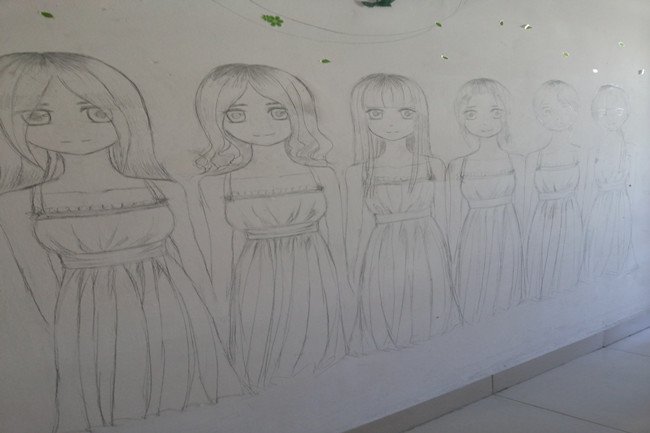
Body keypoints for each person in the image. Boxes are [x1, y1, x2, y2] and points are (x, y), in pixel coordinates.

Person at [0, 52, 232, 433]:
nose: (72, 128)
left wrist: (212, 323)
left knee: (181, 394)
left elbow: (195, 265)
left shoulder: (164, 189)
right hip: (86, 316)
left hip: (173, 302)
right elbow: (38, 286)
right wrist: (66, 342)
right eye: (38, 116)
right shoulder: (19, 202)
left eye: (94, 112)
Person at [194, 64, 348, 391]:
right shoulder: (216, 183)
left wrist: (344, 287)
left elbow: (339, 238)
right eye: (237, 115)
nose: (260, 125)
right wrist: (219, 305)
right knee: (264, 348)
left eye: (277, 111)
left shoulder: (322, 173)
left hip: (315, 267)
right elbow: (217, 253)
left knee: (317, 343)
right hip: (256, 272)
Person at [346, 73, 458, 353]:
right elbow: (354, 228)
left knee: (426, 294)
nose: (391, 123)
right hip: (383, 245)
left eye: (405, 113)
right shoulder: (358, 172)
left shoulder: (433, 164)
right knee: (387, 297)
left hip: (427, 240)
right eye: (376, 113)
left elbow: (446, 218)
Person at [447, 78, 524, 323]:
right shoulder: (458, 165)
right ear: (462, 118)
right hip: (474, 230)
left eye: (495, 112)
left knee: (506, 279)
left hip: (507, 227)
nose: (484, 122)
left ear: (506, 115)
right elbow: (452, 214)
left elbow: (525, 204)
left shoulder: (517, 160)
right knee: (475, 283)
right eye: (472, 114)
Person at [523, 80, 586, 299]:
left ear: (575, 111)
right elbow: (526, 199)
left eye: (565, 107)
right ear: (539, 116)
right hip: (542, 218)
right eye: (548, 111)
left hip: (571, 216)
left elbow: (585, 193)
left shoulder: (581, 154)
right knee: (543, 267)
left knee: (569, 268)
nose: (558, 116)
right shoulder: (534, 158)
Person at [582, 84, 637, 279]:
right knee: (599, 236)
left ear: (626, 113)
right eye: (604, 113)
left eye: (618, 112)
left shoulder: (630, 148)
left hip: (621, 200)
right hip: (600, 201)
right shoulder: (593, 149)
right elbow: (587, 184)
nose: (611, 119)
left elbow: (635, 182)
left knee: (620, 236)